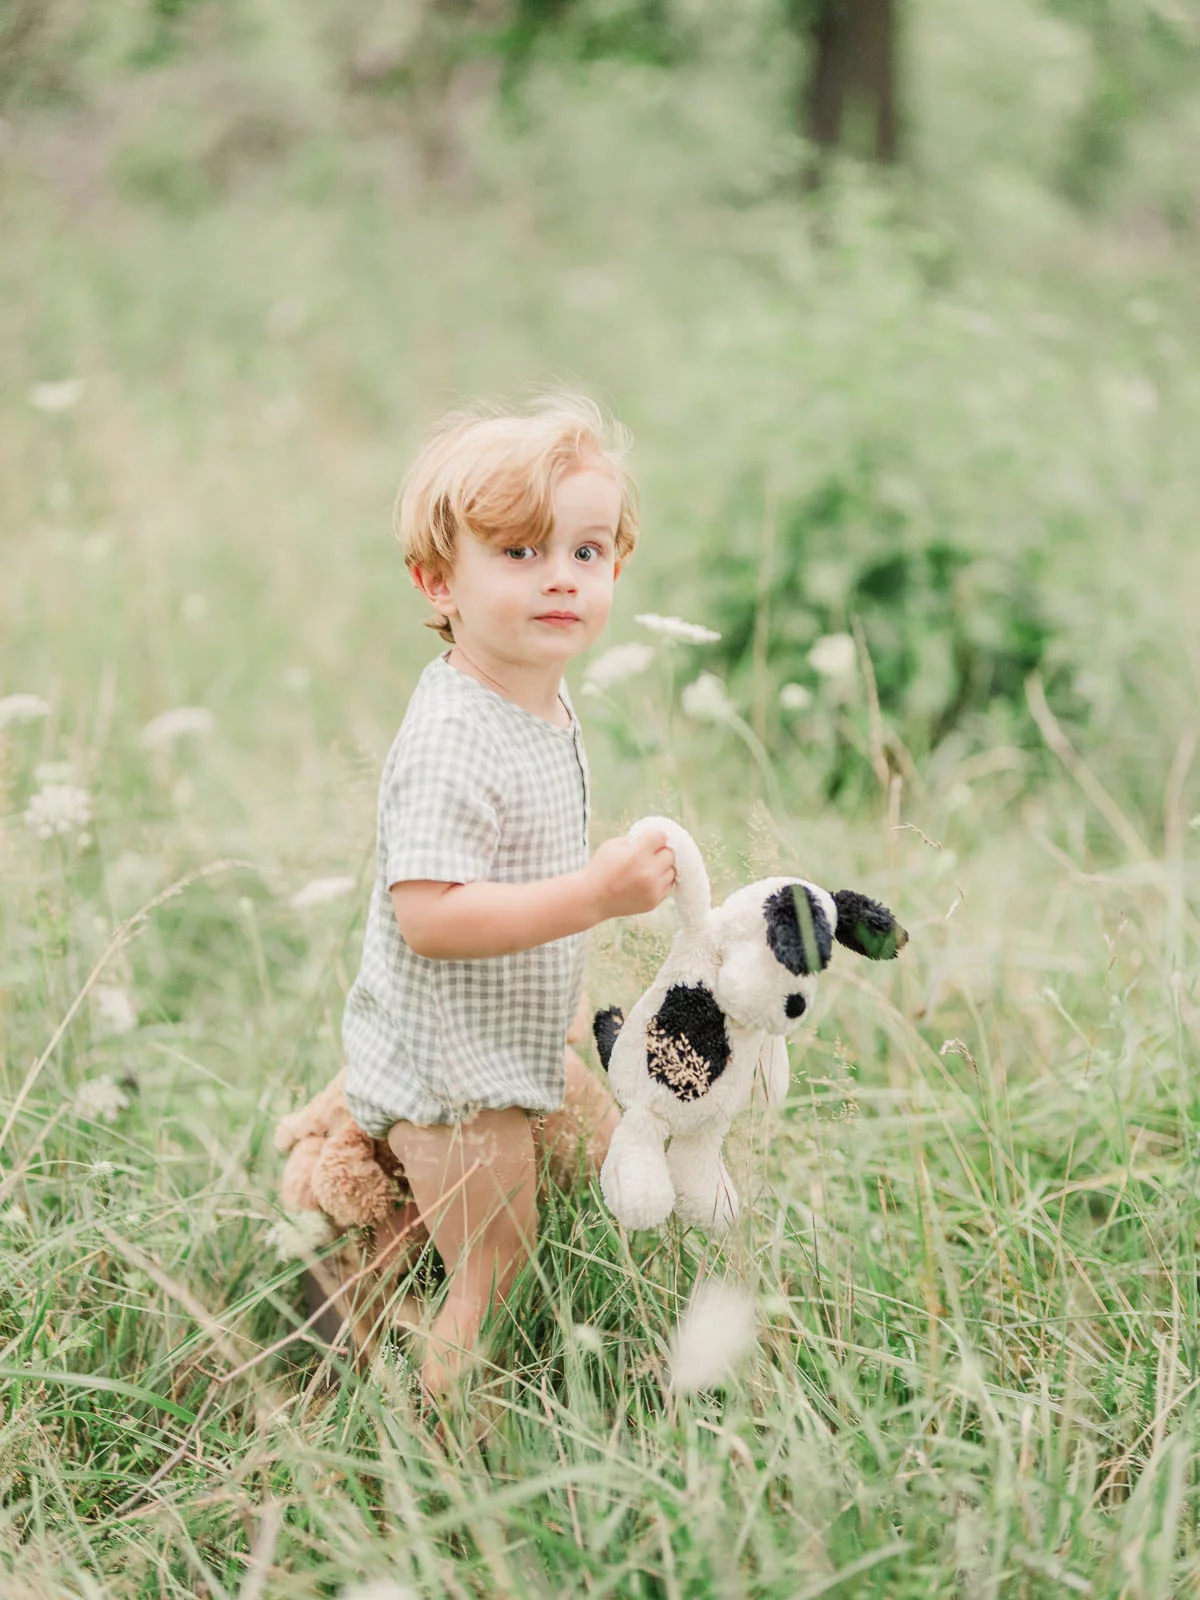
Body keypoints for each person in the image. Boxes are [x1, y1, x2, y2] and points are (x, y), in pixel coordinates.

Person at [341, 394, 676, 1403]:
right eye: (521, 553)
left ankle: (373, 1292)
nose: (562, 577)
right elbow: (432, 916)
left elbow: (509, 876)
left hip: (501, 1037)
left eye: (586, 549)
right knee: (495, 1266)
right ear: (438, 581)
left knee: (590, 1186)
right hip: (453, 1070)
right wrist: (596, 893)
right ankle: (448, 1451)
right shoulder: (455, 735)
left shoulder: (533, 697)